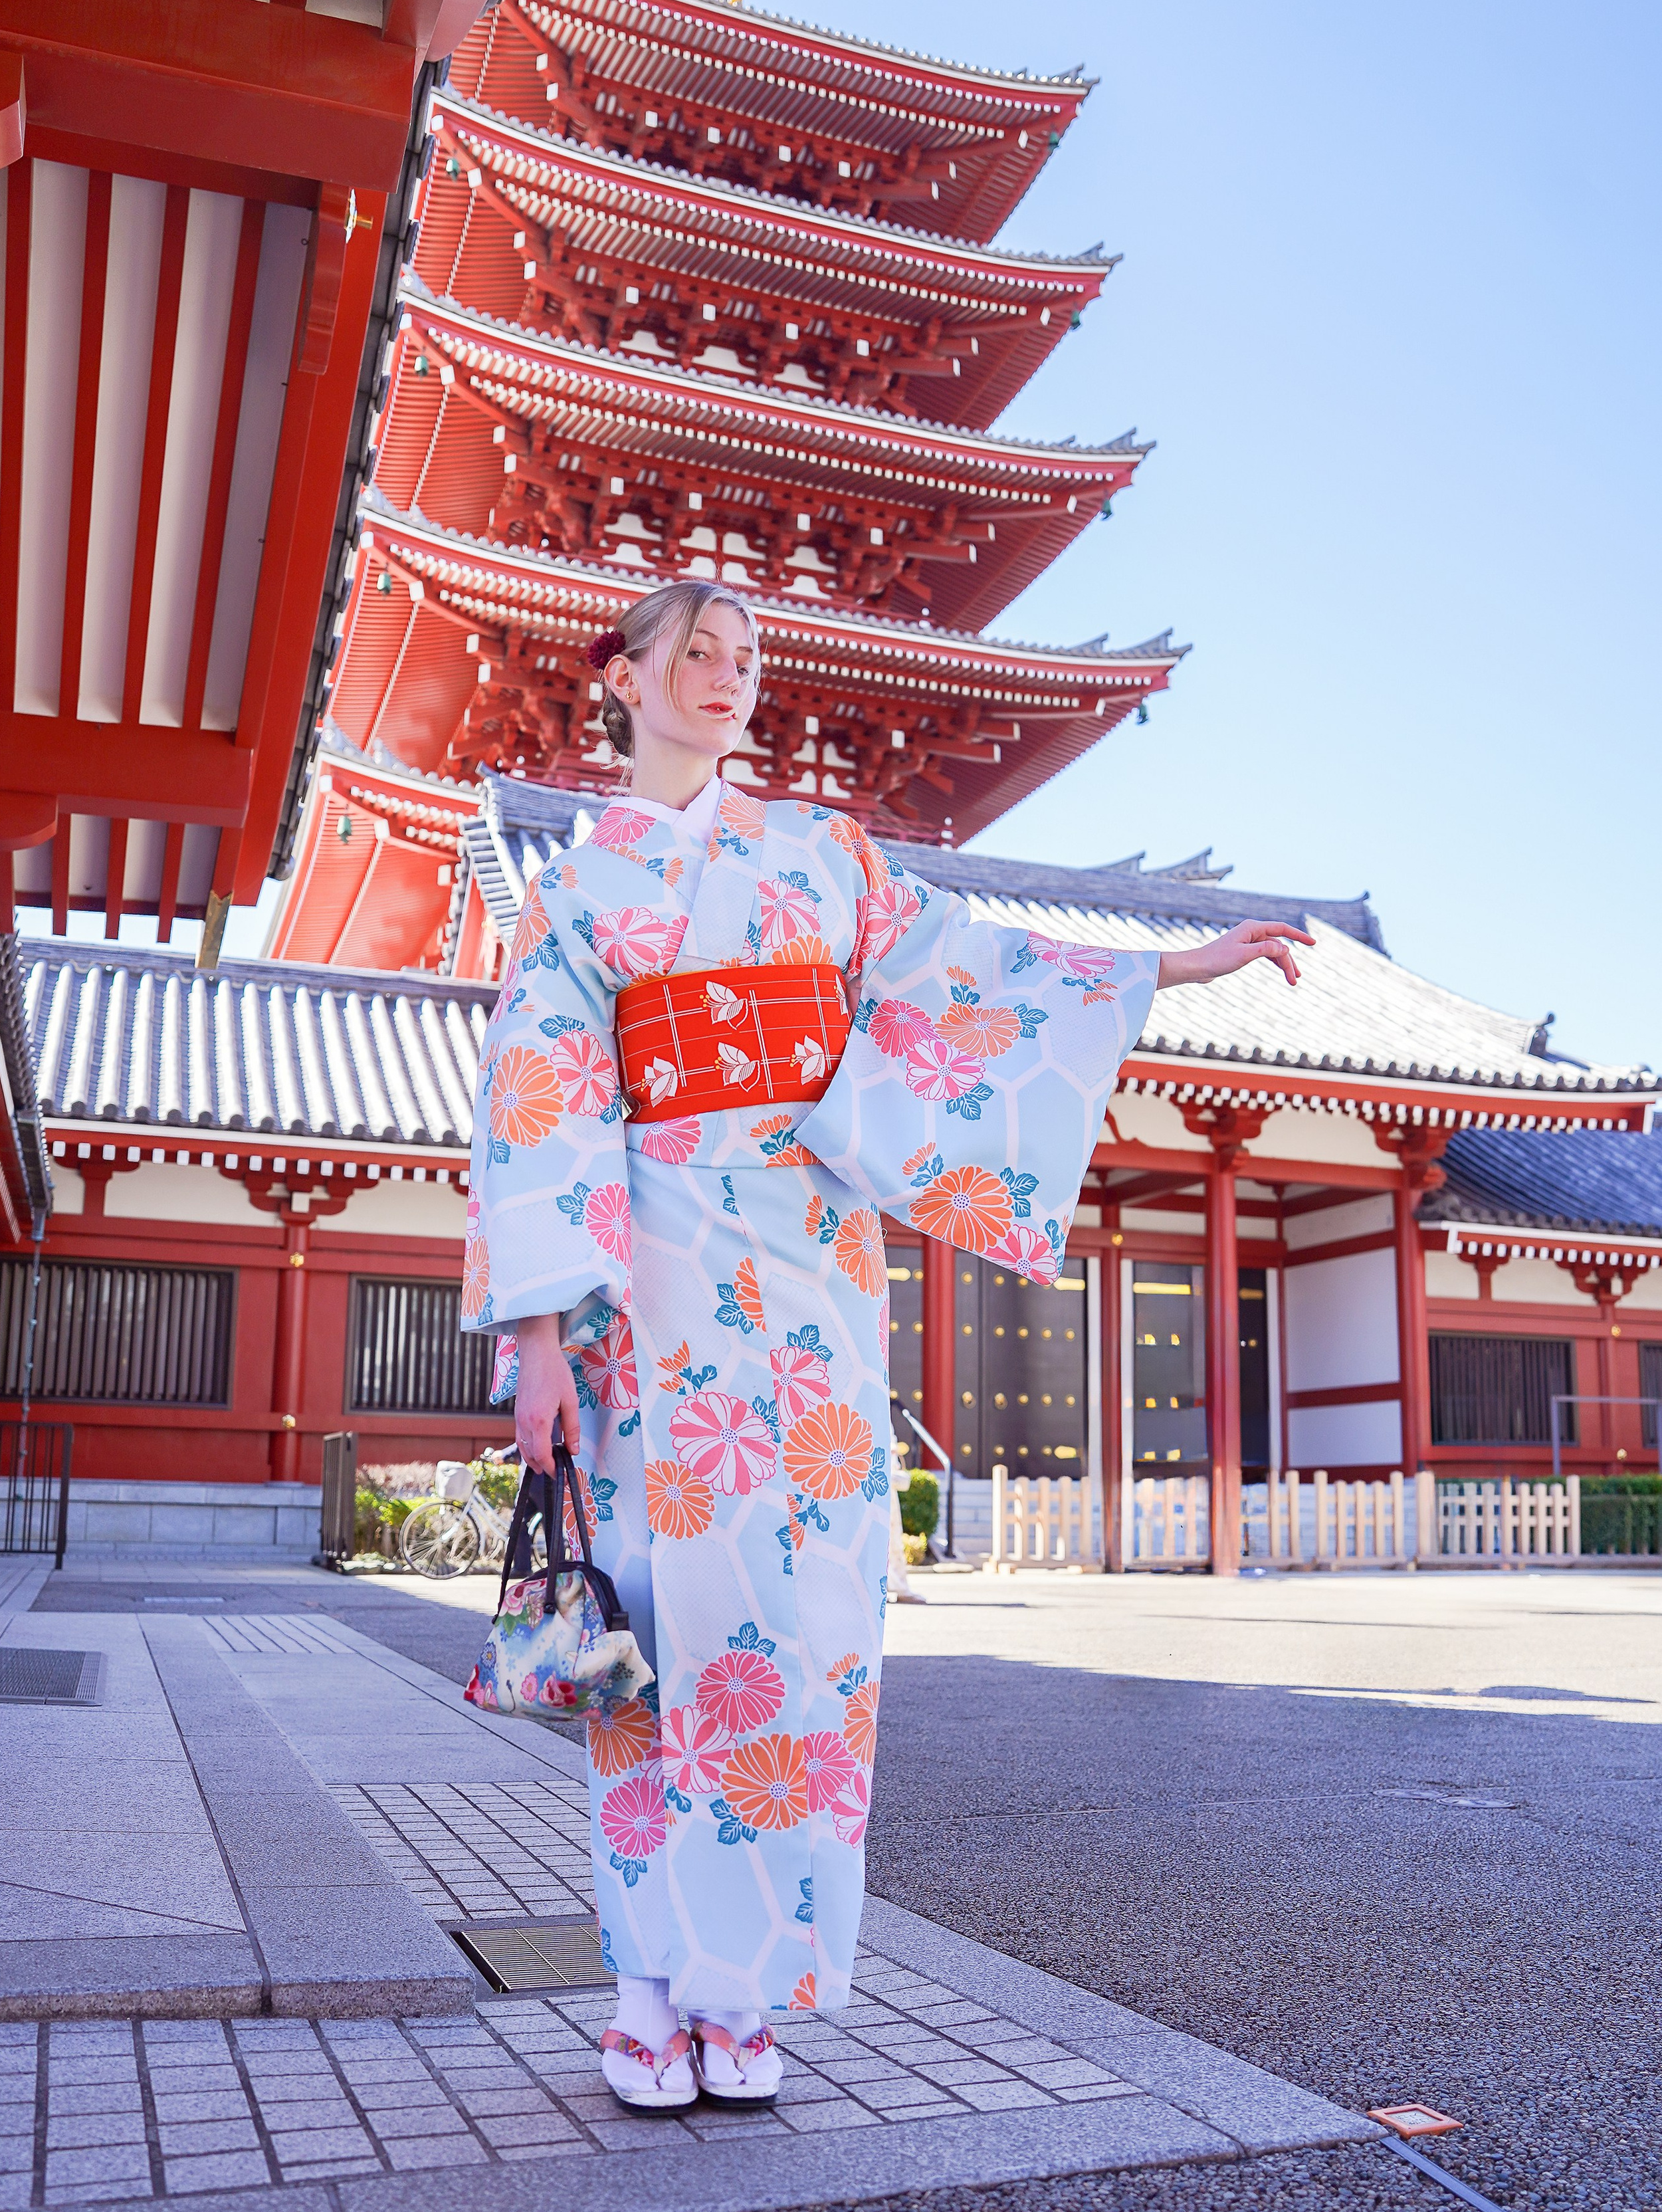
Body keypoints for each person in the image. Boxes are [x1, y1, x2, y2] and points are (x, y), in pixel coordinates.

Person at [461, 577, 1308, 2110]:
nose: (727, 680)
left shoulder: (822, 858)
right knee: (653, 1637)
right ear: (628, 678)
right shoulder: (579, 894)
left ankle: (751, 1994)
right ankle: (652, 1988)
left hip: (816, 1278)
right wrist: (536, 1344)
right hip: (650, 1284)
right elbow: (539, 1109)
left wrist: (1172, 968)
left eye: (746, 660)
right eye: (695, 655)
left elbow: (967, 977)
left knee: (810, 1632)